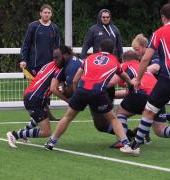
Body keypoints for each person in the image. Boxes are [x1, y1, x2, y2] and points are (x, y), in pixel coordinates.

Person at [44, 39, 135, 154]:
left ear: (100, 49)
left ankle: (51, 142)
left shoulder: (89, 58)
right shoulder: (114, 61)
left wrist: (77, 92)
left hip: (82, 90)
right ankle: (126, 144)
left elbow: (76, 78)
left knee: (67, 117)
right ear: (113, 50)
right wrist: (131, 86)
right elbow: (124, 76)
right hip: (98, 92)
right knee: (112, 118)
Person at [120, 3, 170, 156]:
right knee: (155, 119)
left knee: (149, 111)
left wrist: (138, 79)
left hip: (167, 79)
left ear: (163, 17)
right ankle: (136, 144)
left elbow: (145, 59)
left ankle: (134, 147)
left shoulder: (159, 33)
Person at [6, 46, 70, 148]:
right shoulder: (59, 68)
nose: (56, 59)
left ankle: (23, 134)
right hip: (34, 98)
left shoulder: (49, 64)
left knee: (41, 117)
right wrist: (68, 100)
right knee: (46, 132)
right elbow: (54, 88)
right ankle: (15, 135)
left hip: (34, 96)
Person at [109, 50, 167, 148]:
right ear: (138, 59)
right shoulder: (144, 69)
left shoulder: (125, 65)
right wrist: (113, 95)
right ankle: (143, 134)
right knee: (160, 130)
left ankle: (122, 140)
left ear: (123, 60)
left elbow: (111, 82)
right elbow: (128, 93)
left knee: (121, 112)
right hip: (158, 95)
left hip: (141, 93)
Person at [20, 4, 61, 76]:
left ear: (51, 14)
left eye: (49, 13)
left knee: (49, 86)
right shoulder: (33, 26)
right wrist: (23, 60)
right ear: (40, 13)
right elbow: (26, 44)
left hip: (50, 65)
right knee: (34, 86)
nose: (47, 14)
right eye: (45, 12)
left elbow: (58, 46)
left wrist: (59, 60)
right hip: (34, 64)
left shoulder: (54, 28)